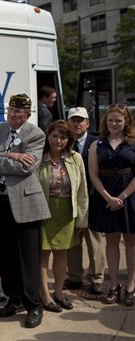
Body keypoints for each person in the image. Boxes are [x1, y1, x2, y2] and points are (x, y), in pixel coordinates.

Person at [0, 93, 51, 328]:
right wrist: (11, 154)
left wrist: (0, 157)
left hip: (26, 204)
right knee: (5, 255)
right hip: (1, 202)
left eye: (18, 112)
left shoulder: (36, 134)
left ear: (27, 115)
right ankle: (14, 298)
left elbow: (27, 166)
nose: (12, 115)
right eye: (10, 110)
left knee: (28, 258)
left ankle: (34, 304)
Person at [38, 120, 89, 313]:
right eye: (55, 136)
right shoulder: (39, 158)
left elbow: (82, 190)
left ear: (68, 140)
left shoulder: (75, 158)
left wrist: (82, 219)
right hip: (44, 211)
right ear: (48, 136)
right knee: (42, 255)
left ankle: (58, 293)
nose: (58, 141)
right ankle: (45, 296)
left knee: (61, 254)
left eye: (63, 137)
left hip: (67, 212)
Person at [88, 104, 135, 306]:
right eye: (110, 120)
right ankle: (114, 285)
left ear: (126, 122)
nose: (114, 123)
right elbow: (93, 174)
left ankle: (131, 286)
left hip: (130, 196)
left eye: (118, 120)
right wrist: (108, 198)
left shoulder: (133, 143)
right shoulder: (96, 144)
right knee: (111, 242)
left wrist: (122, 197)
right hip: (105, 197)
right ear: (105, 122)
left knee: (132, 243)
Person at [65, 107, 105, 295]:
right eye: (73, 120)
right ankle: (74, 277)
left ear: (88, 123)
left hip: (94, 199)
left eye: (81, 120)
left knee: (94, 239)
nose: (77, 124)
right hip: (70, 200)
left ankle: (97, 278)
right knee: (73, 240)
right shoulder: (63, 143)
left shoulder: (97, 143)